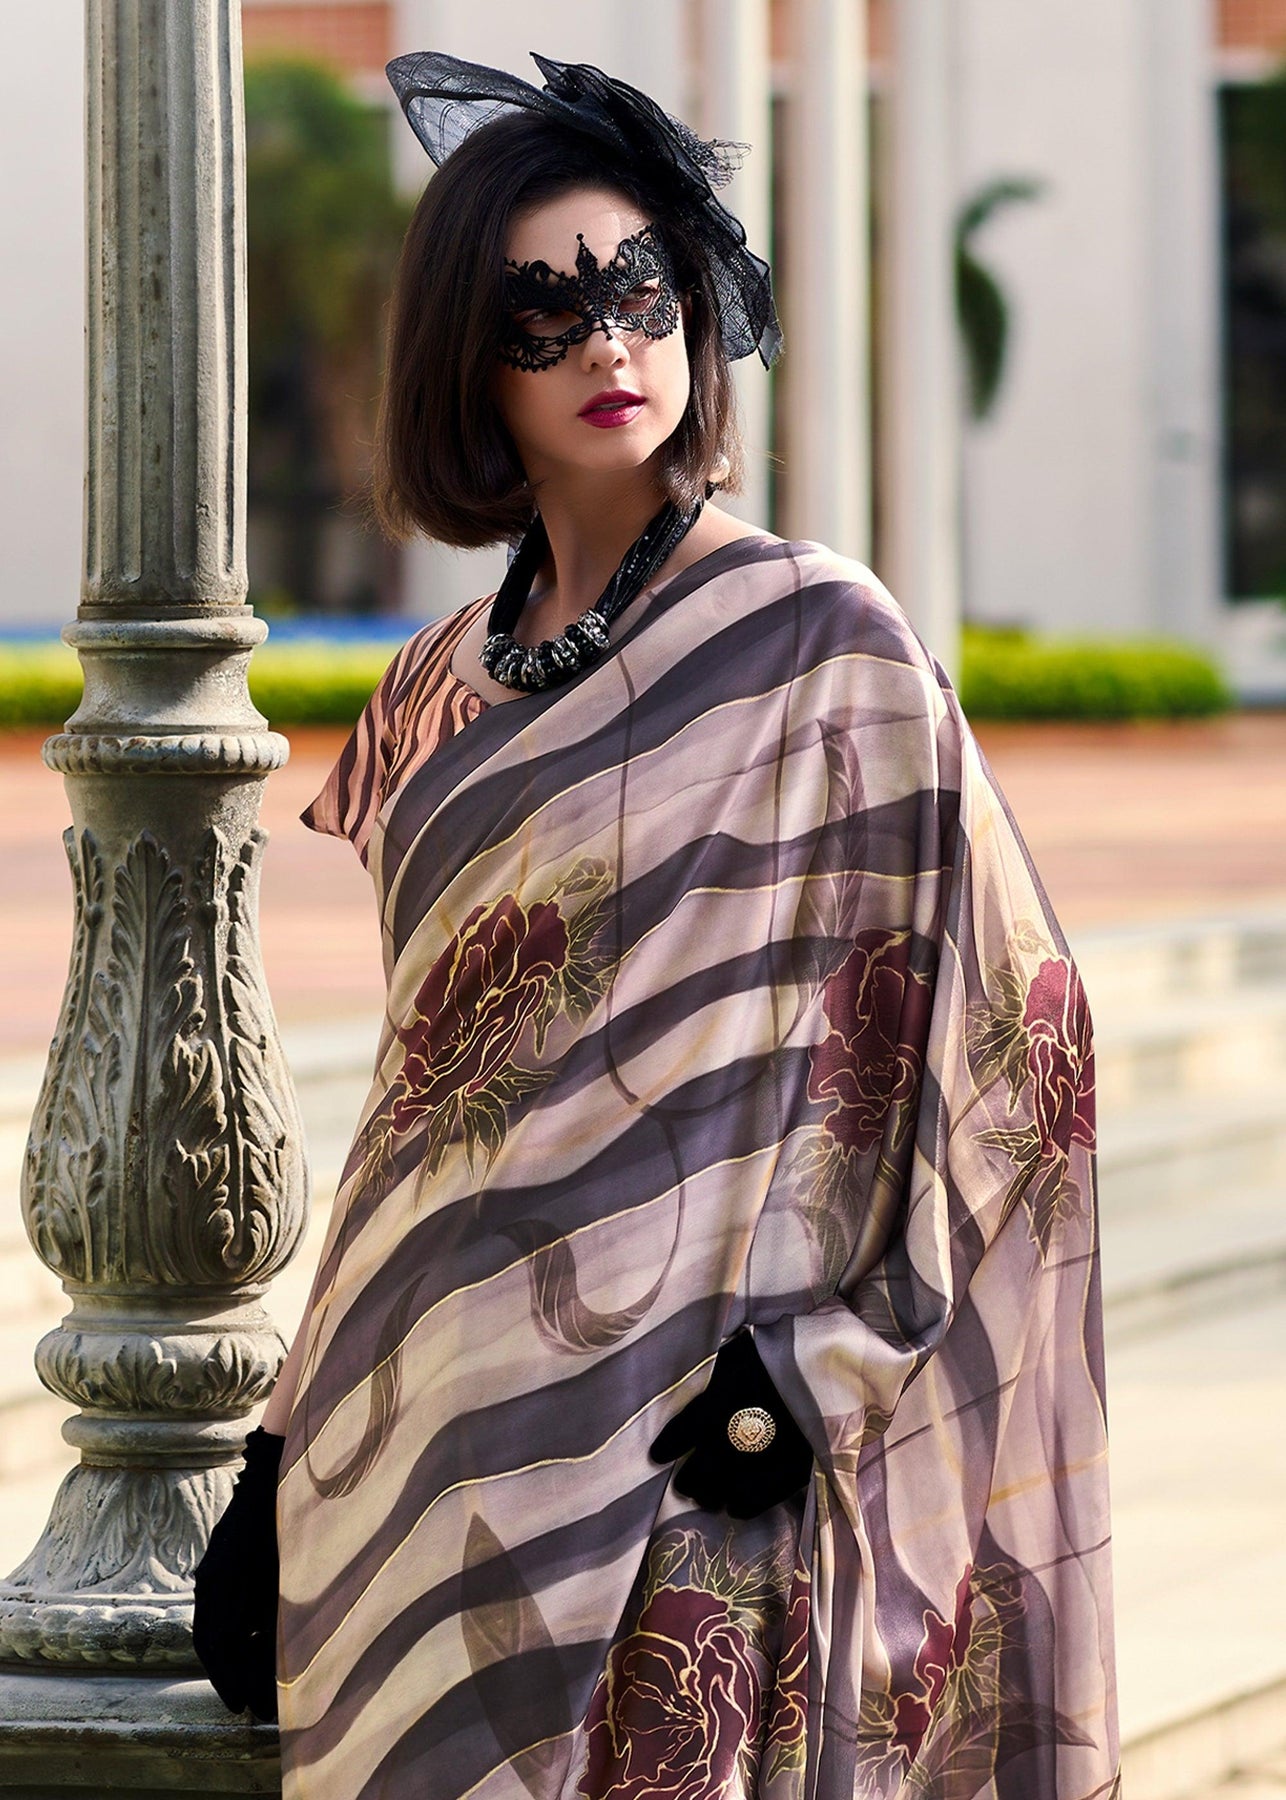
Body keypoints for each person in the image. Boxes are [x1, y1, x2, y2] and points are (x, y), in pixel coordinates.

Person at [192, 49, 1119, 1800]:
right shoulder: (424, 696)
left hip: (701, 1449)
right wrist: (281, 1436)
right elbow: (420, 1110)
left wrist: (823, 1371)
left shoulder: (818, 637)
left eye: (639, 296)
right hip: (427, 1439)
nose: (607, 347)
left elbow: (1022, 1040)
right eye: (544, 317)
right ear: (468, 362)